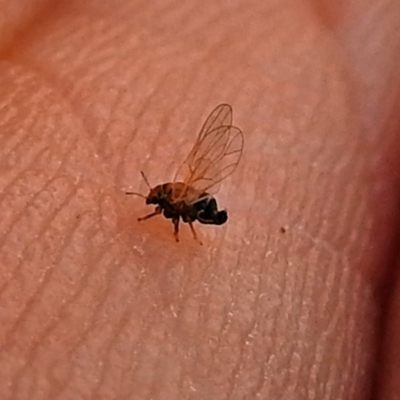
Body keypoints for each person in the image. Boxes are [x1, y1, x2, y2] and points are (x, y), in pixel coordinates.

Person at [0, 1, 399, 398]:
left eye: (155, 198)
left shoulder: (178, 201)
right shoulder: (177, 193)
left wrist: (176, 231)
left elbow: (182, 209)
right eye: (156, 198)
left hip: (204, 211)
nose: (154, 199)